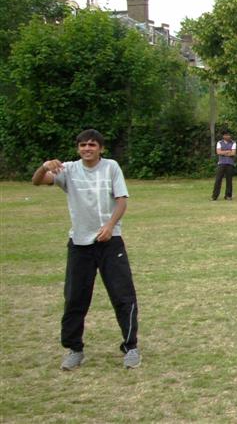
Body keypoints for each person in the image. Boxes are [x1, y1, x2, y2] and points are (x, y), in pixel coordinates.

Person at [31, 129, 141, 369]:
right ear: (78, 148)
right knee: (75, 298)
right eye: (82, 145)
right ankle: (74, 349)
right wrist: (44, 166)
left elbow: (122, 200)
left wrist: (110, 226)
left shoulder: (111, 167)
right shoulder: (67, 170)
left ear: (100, 148)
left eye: (92, 145)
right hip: (80, 244)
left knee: (123, 295)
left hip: (110, 243)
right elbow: (38, 181)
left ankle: (131, 347)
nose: (87, 149)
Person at [211, 130, 237, 201]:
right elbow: (218, 152)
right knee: (218, 179)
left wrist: (223, 152)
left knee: (229, 180)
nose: (227, 136)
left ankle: (228, 195)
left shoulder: (233, 143)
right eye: (226, 135)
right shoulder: (219, 143)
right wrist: (228, 151)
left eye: (228, 135)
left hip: (230, 163)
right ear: (223, 136)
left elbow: (233, 153)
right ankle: (214, 196)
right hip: (221, 163)